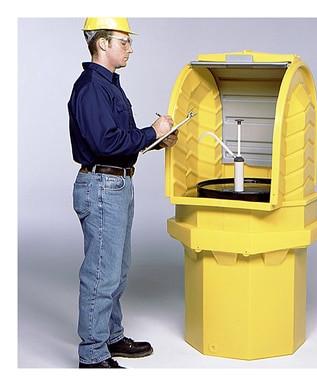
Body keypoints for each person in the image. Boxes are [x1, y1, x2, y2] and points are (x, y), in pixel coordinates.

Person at [68, 17, 177, 368]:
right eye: (124, 42)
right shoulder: (91, 88)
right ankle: (93, 355)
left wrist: (156, 140)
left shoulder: (110, 86)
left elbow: (121, 141)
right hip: (102, 186)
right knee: (102, 272)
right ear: (102, 44)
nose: (130, 48)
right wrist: (151, 129)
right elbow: (105, 143)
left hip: (115, 184)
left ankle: (111, 337)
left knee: (116, 268)